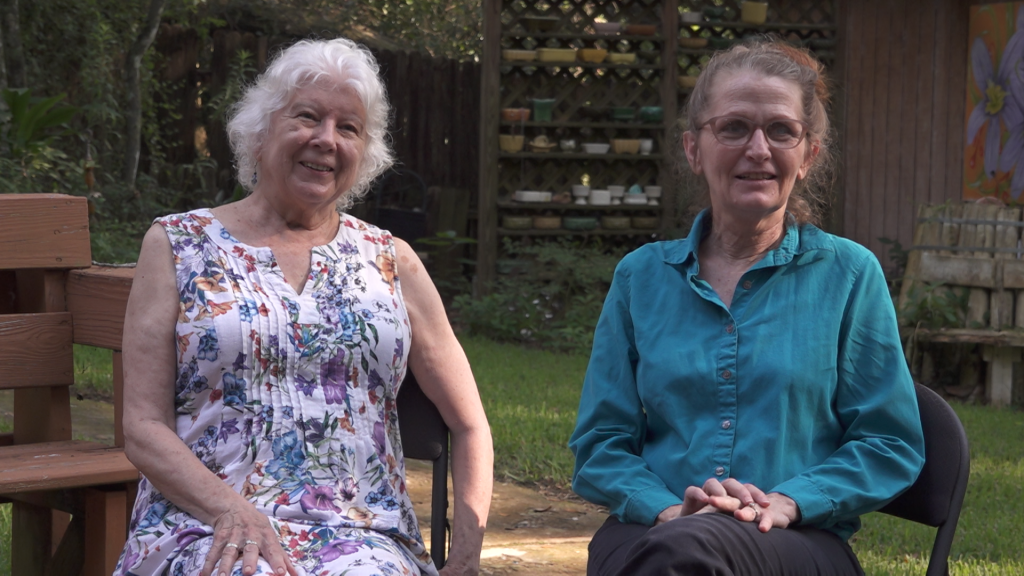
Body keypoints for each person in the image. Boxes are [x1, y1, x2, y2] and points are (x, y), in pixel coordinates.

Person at [116, 38, 492, 576]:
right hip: (205, 524)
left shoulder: (391, 260)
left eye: (349, 128)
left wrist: (466, 559)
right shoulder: (179, 244)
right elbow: (143, 426)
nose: (326, 140)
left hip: (363, 536)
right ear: (261, 129)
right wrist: (232, 510)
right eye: (308, 117)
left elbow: (470, 423)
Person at [569, 39, 926, 576]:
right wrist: (667, 510)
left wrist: (790, 501)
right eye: (734, 127)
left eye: (781, 130)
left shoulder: (850, 276)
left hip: (796, 538)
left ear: (809, 155)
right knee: (678, 552)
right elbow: (600, 444)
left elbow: (889, 442)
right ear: (694, 149)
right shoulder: (640, 278)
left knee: (678, 558)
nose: (758, 148)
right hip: (652, 528)